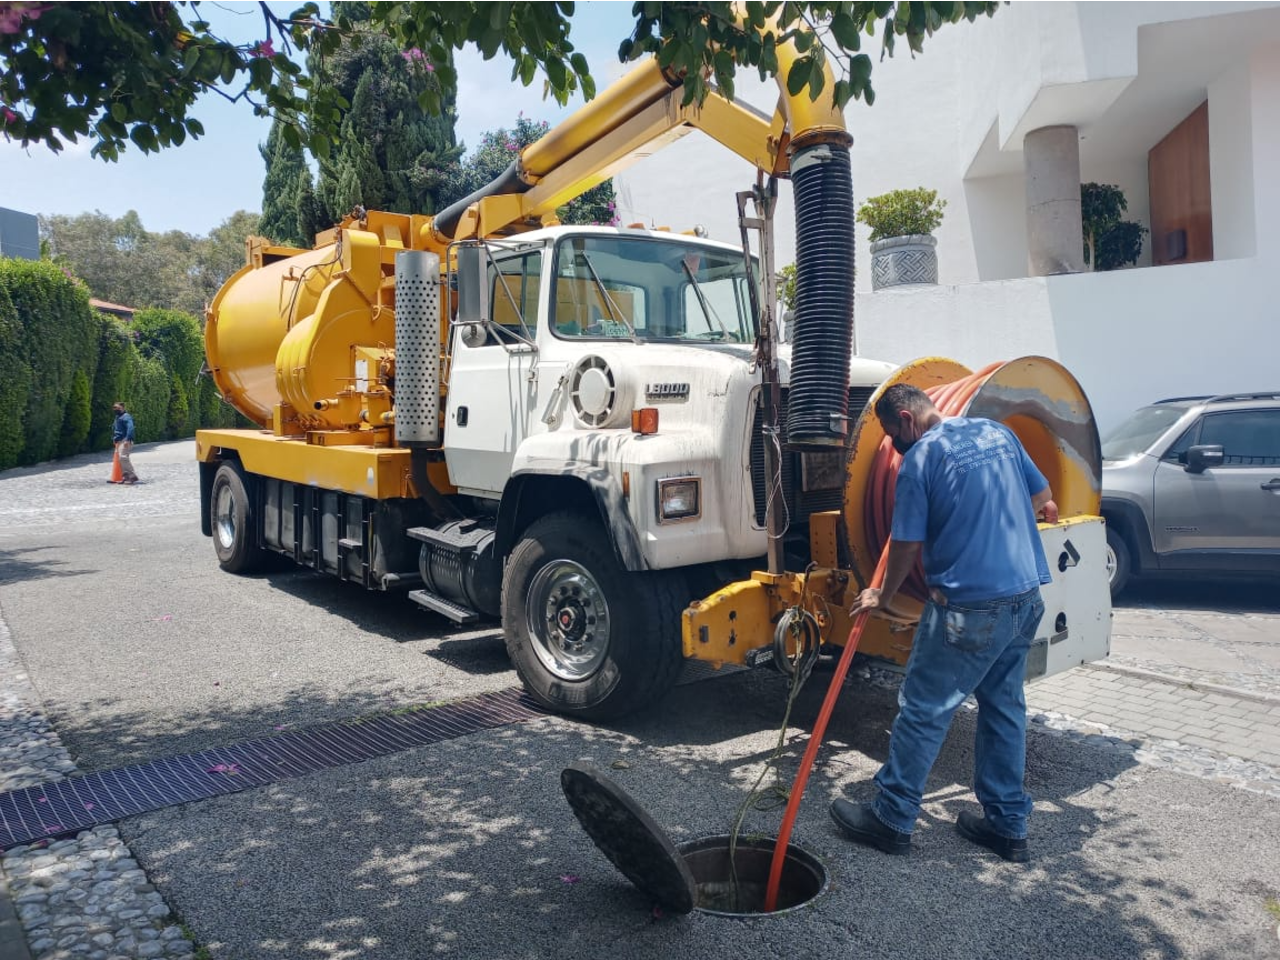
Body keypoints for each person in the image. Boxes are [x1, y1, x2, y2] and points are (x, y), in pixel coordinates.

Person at [830, 383, 1058, 863]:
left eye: (892, 435)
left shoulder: (920, 460)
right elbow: (1043, 497)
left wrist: (881, 594)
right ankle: (1007, 824)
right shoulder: (997, 433)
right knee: (1003, 707)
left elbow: (906, 543)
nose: (893, 446)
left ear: (907, 421)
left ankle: (891, 818)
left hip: (968, 608)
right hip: (1023, 596)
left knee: (923, 708)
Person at [111, 402, 139, 484]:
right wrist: (115, 438)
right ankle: (125, 477)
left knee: (123, 457)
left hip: (124, 440)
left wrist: (127, 439)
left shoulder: (126, 416)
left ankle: (132, 476)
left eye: (117, 408)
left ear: (122, 408)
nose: (115, 409)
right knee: (120, 459)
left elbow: (130, 428)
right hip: (119, 440)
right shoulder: (118, 417)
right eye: (114, 407)